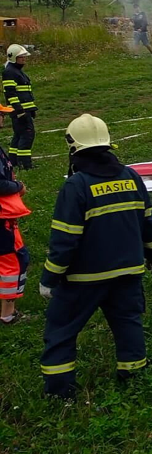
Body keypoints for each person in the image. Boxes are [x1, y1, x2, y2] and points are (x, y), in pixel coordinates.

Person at [39, 114, 152, 399]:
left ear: (73, 148)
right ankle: (133, 375)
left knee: (61, 329)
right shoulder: (131, 177)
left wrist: (50, 278)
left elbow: (64, 239)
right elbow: (150, 223)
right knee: (128, 322)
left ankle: (59, 392)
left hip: (84, 278)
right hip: (129, 272)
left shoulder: (77, 186)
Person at [0, 104, 29, 325]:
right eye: (0, 115)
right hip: (3, 220)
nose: (3, 118)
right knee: (13, 262)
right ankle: (8, 314)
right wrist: (17, 186)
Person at [2, 44, 38, 169]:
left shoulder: (16, 71)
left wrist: (31, 108)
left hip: (24, 110)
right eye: (21, 57)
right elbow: (10, 94)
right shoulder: (9, 72)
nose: (24, 59)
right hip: (20, 111)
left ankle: (13, 162)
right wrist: (20, 111)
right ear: (14, 58)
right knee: (27, 135)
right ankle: (25, 164)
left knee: (18, 135)